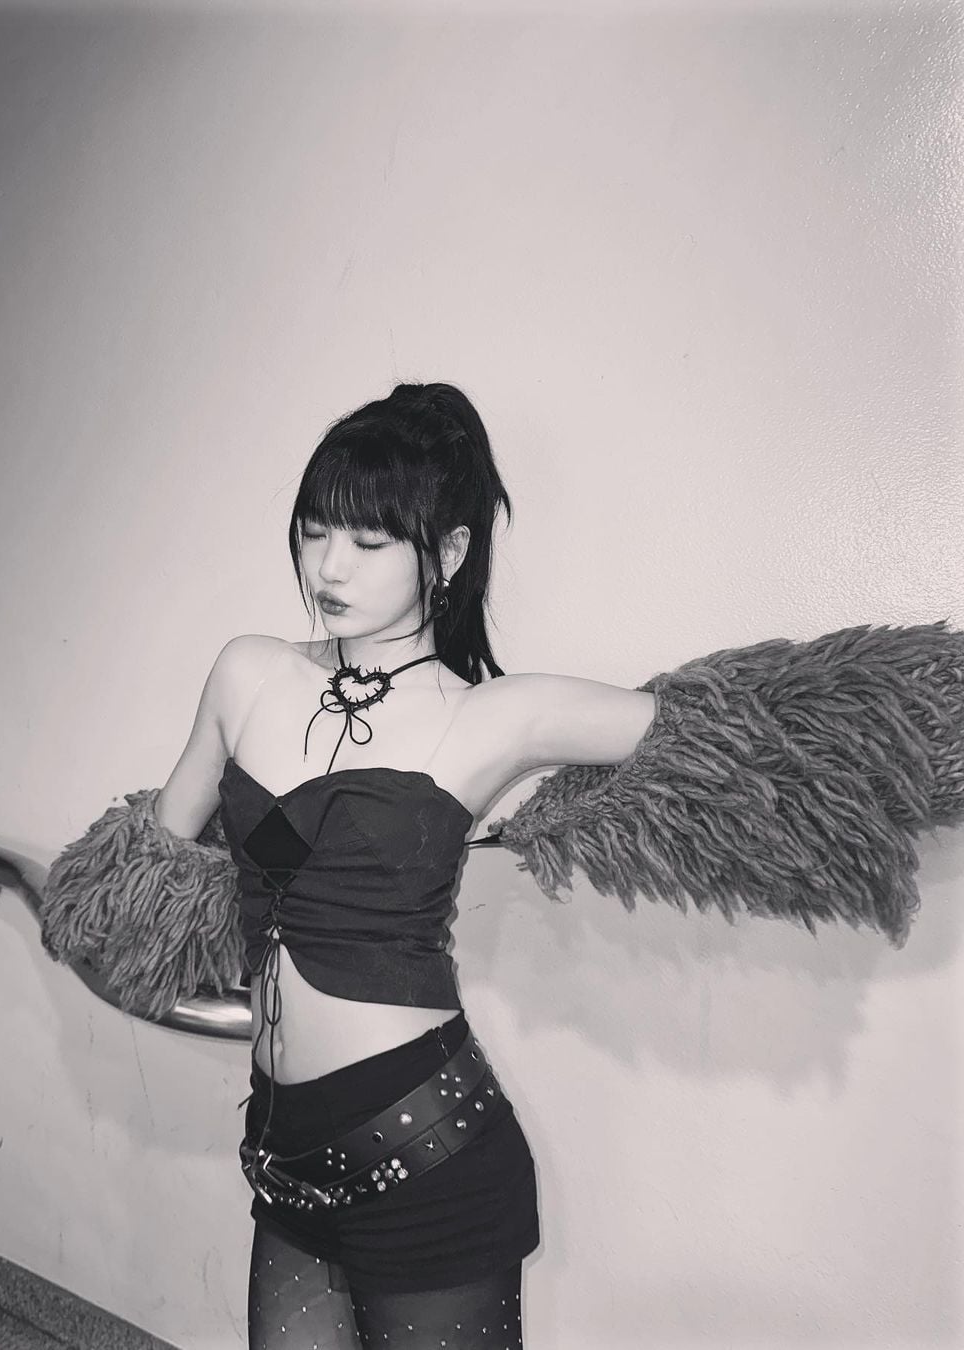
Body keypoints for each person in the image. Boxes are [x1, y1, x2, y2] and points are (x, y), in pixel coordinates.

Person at [152, 381, 657, 1349]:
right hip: (285, 1165)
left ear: (449, 554)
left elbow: (725, 741)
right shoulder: (248, 671)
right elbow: (155, 863)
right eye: (313, 532)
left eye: (369, 541)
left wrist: (566, 828)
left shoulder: (492, 716)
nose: (328, 566)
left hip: (430, 1166)